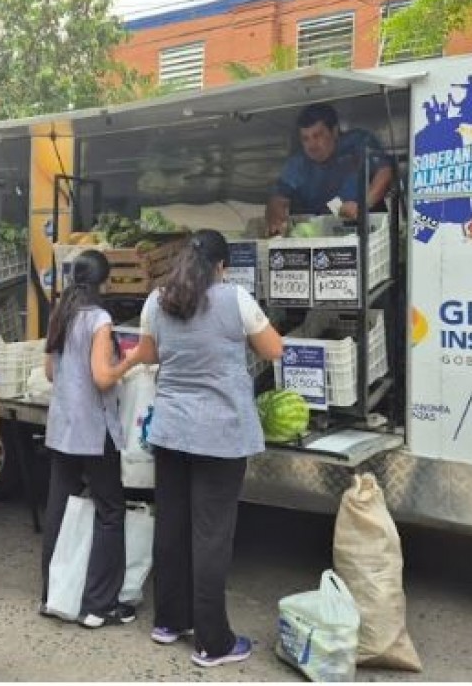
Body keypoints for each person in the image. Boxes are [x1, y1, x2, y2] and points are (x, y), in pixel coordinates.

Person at [130, 229, 283, 668]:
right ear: (221, 266)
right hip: (220, 432)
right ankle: (212, 642)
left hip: (171, 430)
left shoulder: (157, 299)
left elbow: (149, 354)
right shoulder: (235, 299)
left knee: (172, 526)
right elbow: (273, 349)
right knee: (211, 535)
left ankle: (169, 621)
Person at [40, 250, 138, 629]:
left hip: (62, 427)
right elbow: (102, 377)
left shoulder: (60, 313)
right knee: (110, 512)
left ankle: (53, 595)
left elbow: (50, 372)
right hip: (94, 431)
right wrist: (131, 360)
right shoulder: (99, 319)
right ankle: (100, 605)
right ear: (105, 282)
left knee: (58, 508)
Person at [265, 102, 393, 236]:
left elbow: (384, 173)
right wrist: (276, 221)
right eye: (305, 138)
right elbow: (278, 198)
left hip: (370, 232)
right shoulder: (297, 163)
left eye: (317, 135)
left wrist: (363, 205)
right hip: (321, 236)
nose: (312, 145)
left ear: (335, 131)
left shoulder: (358, 142)